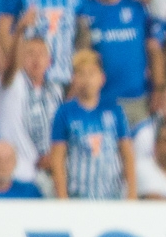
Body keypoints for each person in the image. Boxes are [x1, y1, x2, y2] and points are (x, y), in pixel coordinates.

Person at [48, 49, 134, 200]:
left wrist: (132, 194)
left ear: (102, 78)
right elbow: (57, 158)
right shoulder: (64, 113)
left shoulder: (115, 110)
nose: (87, 79)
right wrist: (62, 198)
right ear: (73, 79)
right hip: (78, 195)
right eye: (81, 74)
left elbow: (126, 153)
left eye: (92, 73)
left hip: (112, 195)